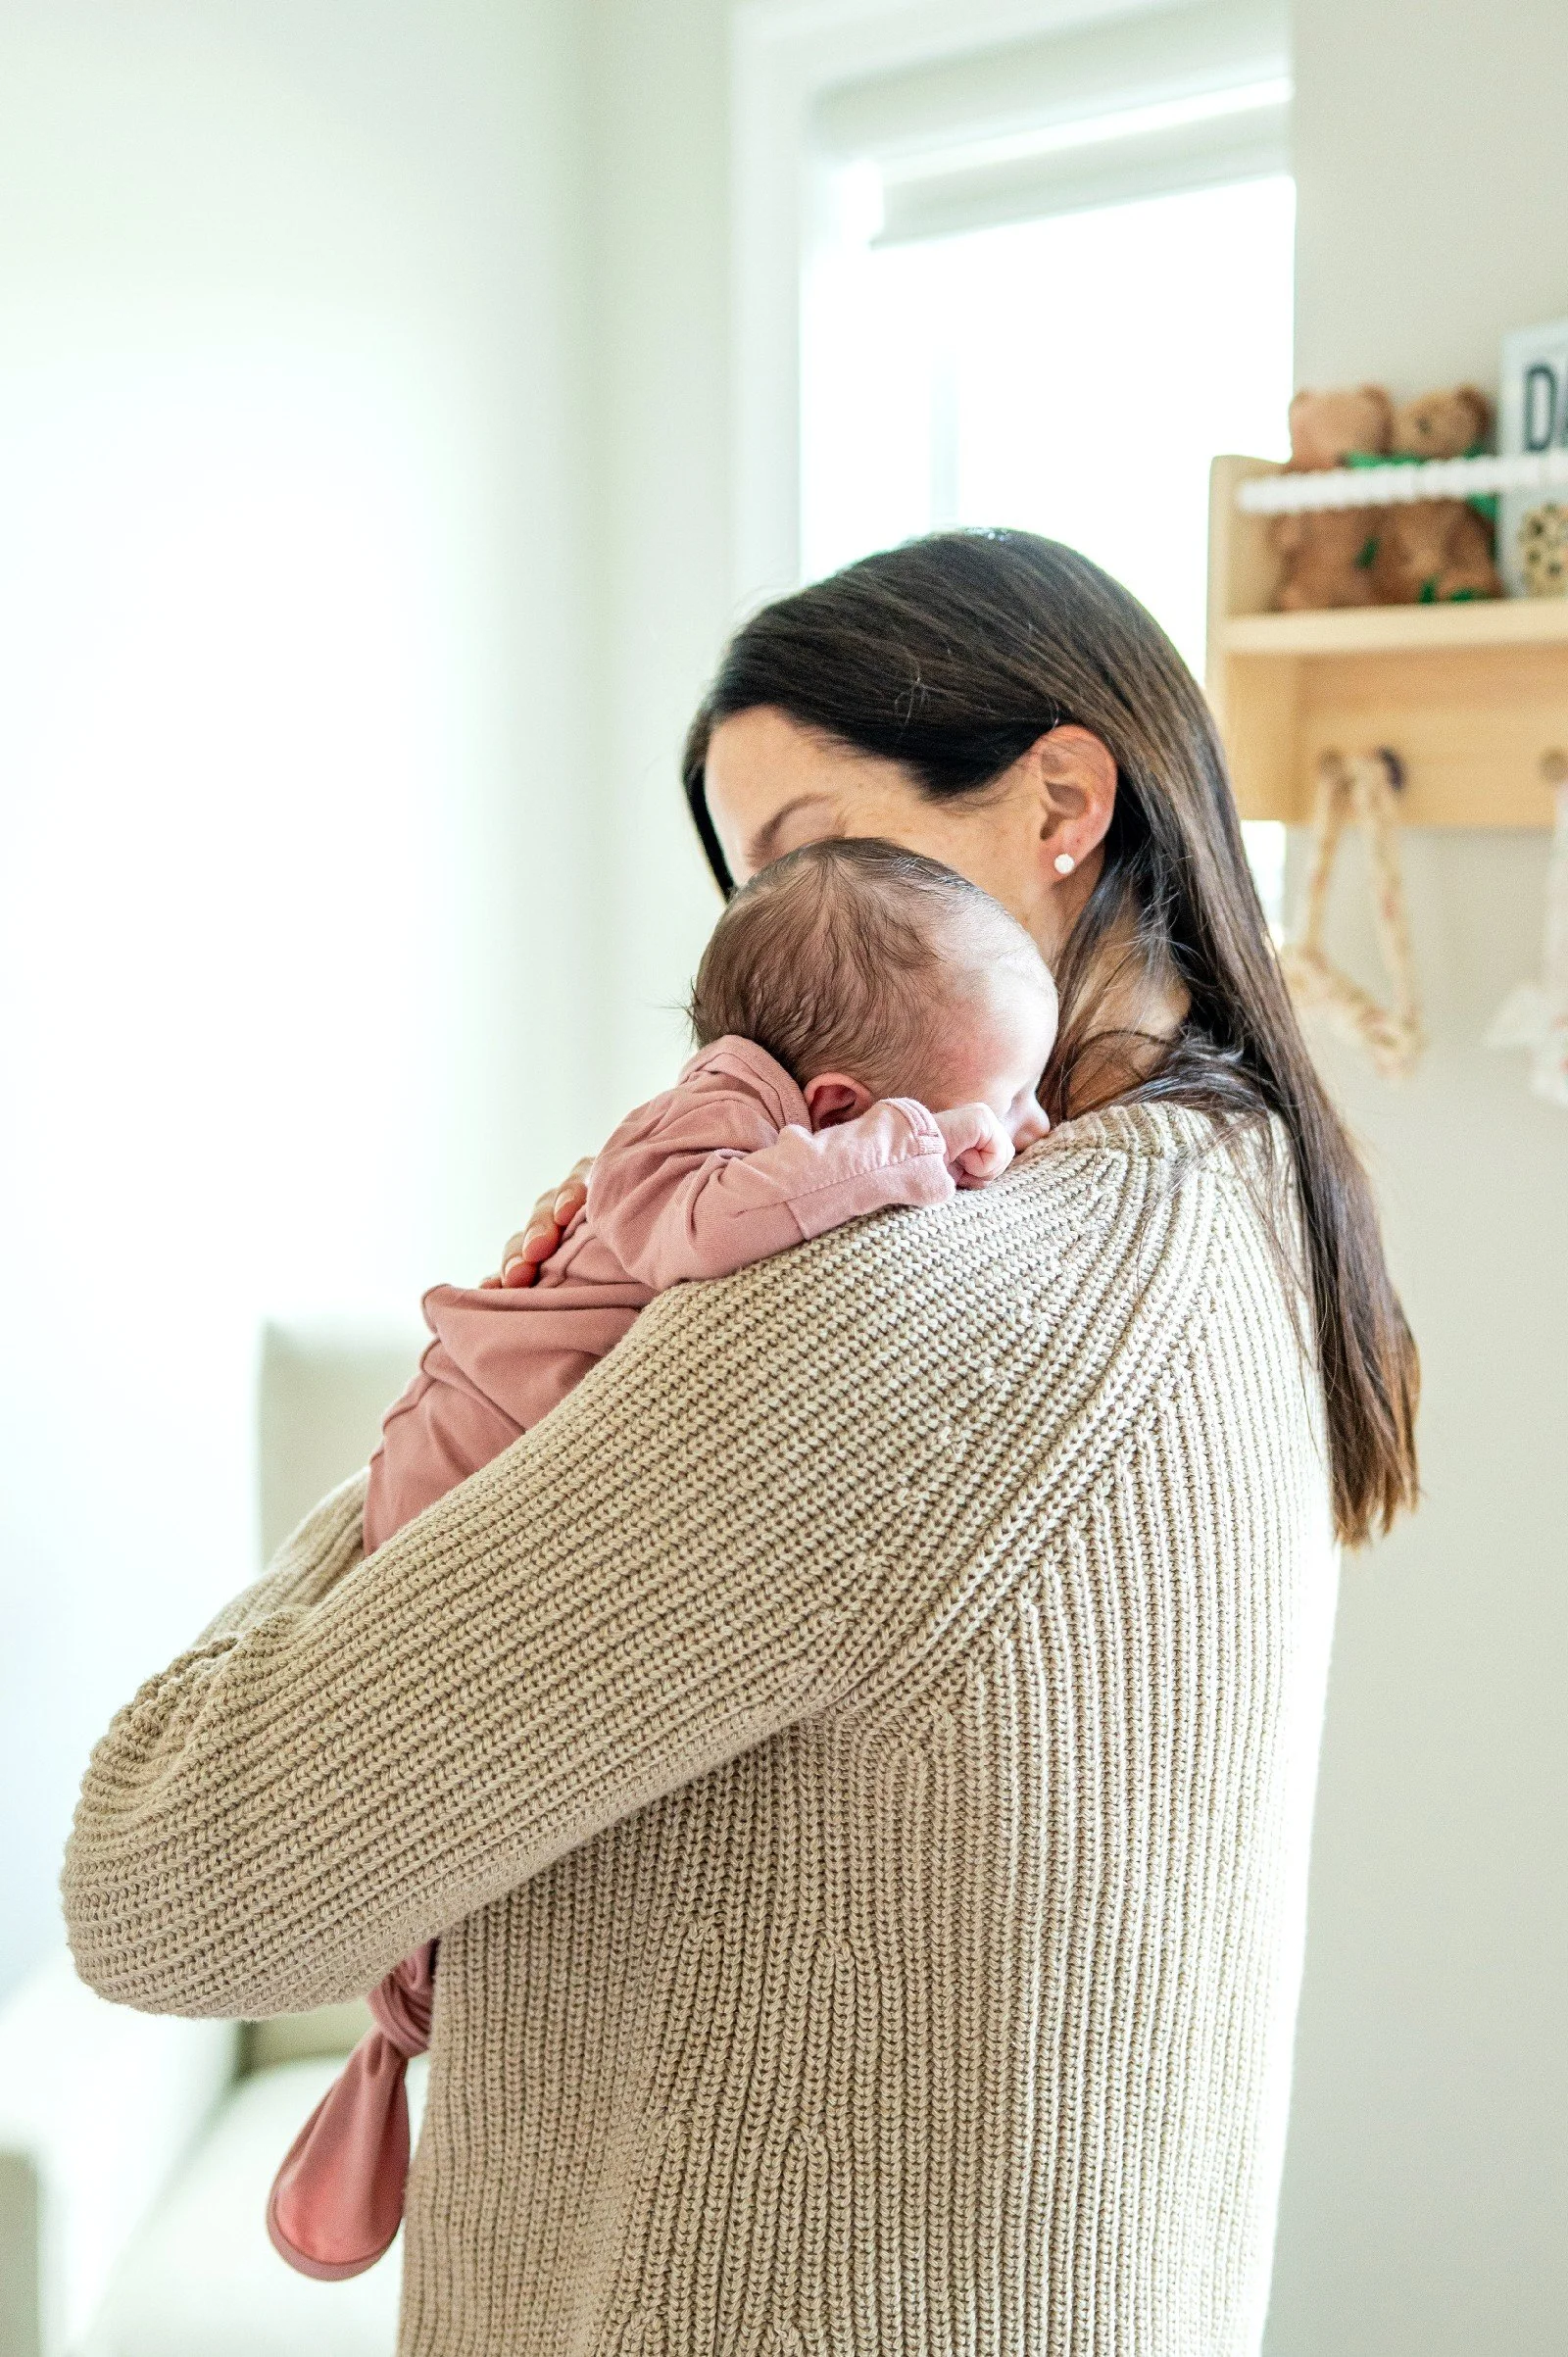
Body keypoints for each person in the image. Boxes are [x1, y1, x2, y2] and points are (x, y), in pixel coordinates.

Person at [62, 529, 1418, 2357]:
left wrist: (513, 1351)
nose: (776, 980)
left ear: (1062, 802)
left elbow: (169, 1882)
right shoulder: (1240, 1209)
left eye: (823, 855)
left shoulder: (909, 1310)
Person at [266, 834, 1057, 2279]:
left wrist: (956, 1135)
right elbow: (699, 1233)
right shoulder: (699, 1132)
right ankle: (391, 2030)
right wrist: (901, 1155)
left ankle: (395, 2045)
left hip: (514, 1441)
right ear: (835, 1106)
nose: (1014, 1136)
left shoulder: (780, 1125)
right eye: (995, 1106)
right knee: (435, 1777)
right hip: (468, 1452)